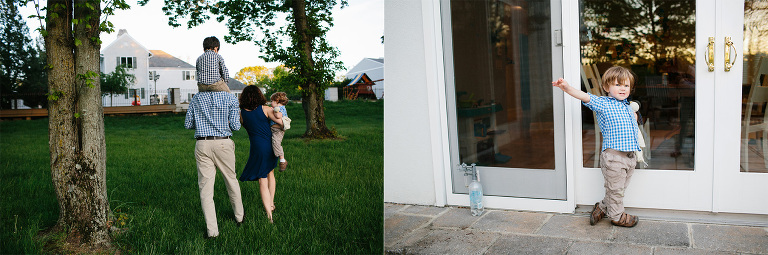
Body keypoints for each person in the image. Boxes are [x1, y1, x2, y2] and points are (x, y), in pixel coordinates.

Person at [552, 66, 640, 228]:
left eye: (626, 86)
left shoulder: (627, 107)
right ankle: (616, 216)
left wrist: (634, 117)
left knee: (617, 189)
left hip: (630, 157)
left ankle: (601, 207)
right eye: (617, 85)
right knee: (616, 190)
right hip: (614, 157)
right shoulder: (604, 103)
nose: (623, 88)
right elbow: (585, 97)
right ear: (606, 87)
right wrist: (567, 88)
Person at [184, 74, 244, 239]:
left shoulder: (196, 98)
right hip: (223, 143)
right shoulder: (230, 98)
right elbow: (236, 127)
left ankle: (212, 231)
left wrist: (204, 121)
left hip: (202, 143)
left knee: (205, 188)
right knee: (231, 180)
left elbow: (188, 124)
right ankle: (239, 217)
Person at [239, 85, 282, 223]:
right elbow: (282, 123)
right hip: (269, 146)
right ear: (259, 95)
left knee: (263, 178)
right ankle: (270, 209)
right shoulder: (266, 109)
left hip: (256, 147)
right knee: (270, 174)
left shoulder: (241, 114)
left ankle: (270, 210)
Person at [270, 92, 289, 171]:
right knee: (274, 143)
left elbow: (278, 116)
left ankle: (282, 160)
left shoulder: (280, 108)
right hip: (274, 130)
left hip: (278, 130)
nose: (271, 103)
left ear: (277, 101)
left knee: (276, 143)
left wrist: (274, 110)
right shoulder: (279, 108)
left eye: (272, 101)